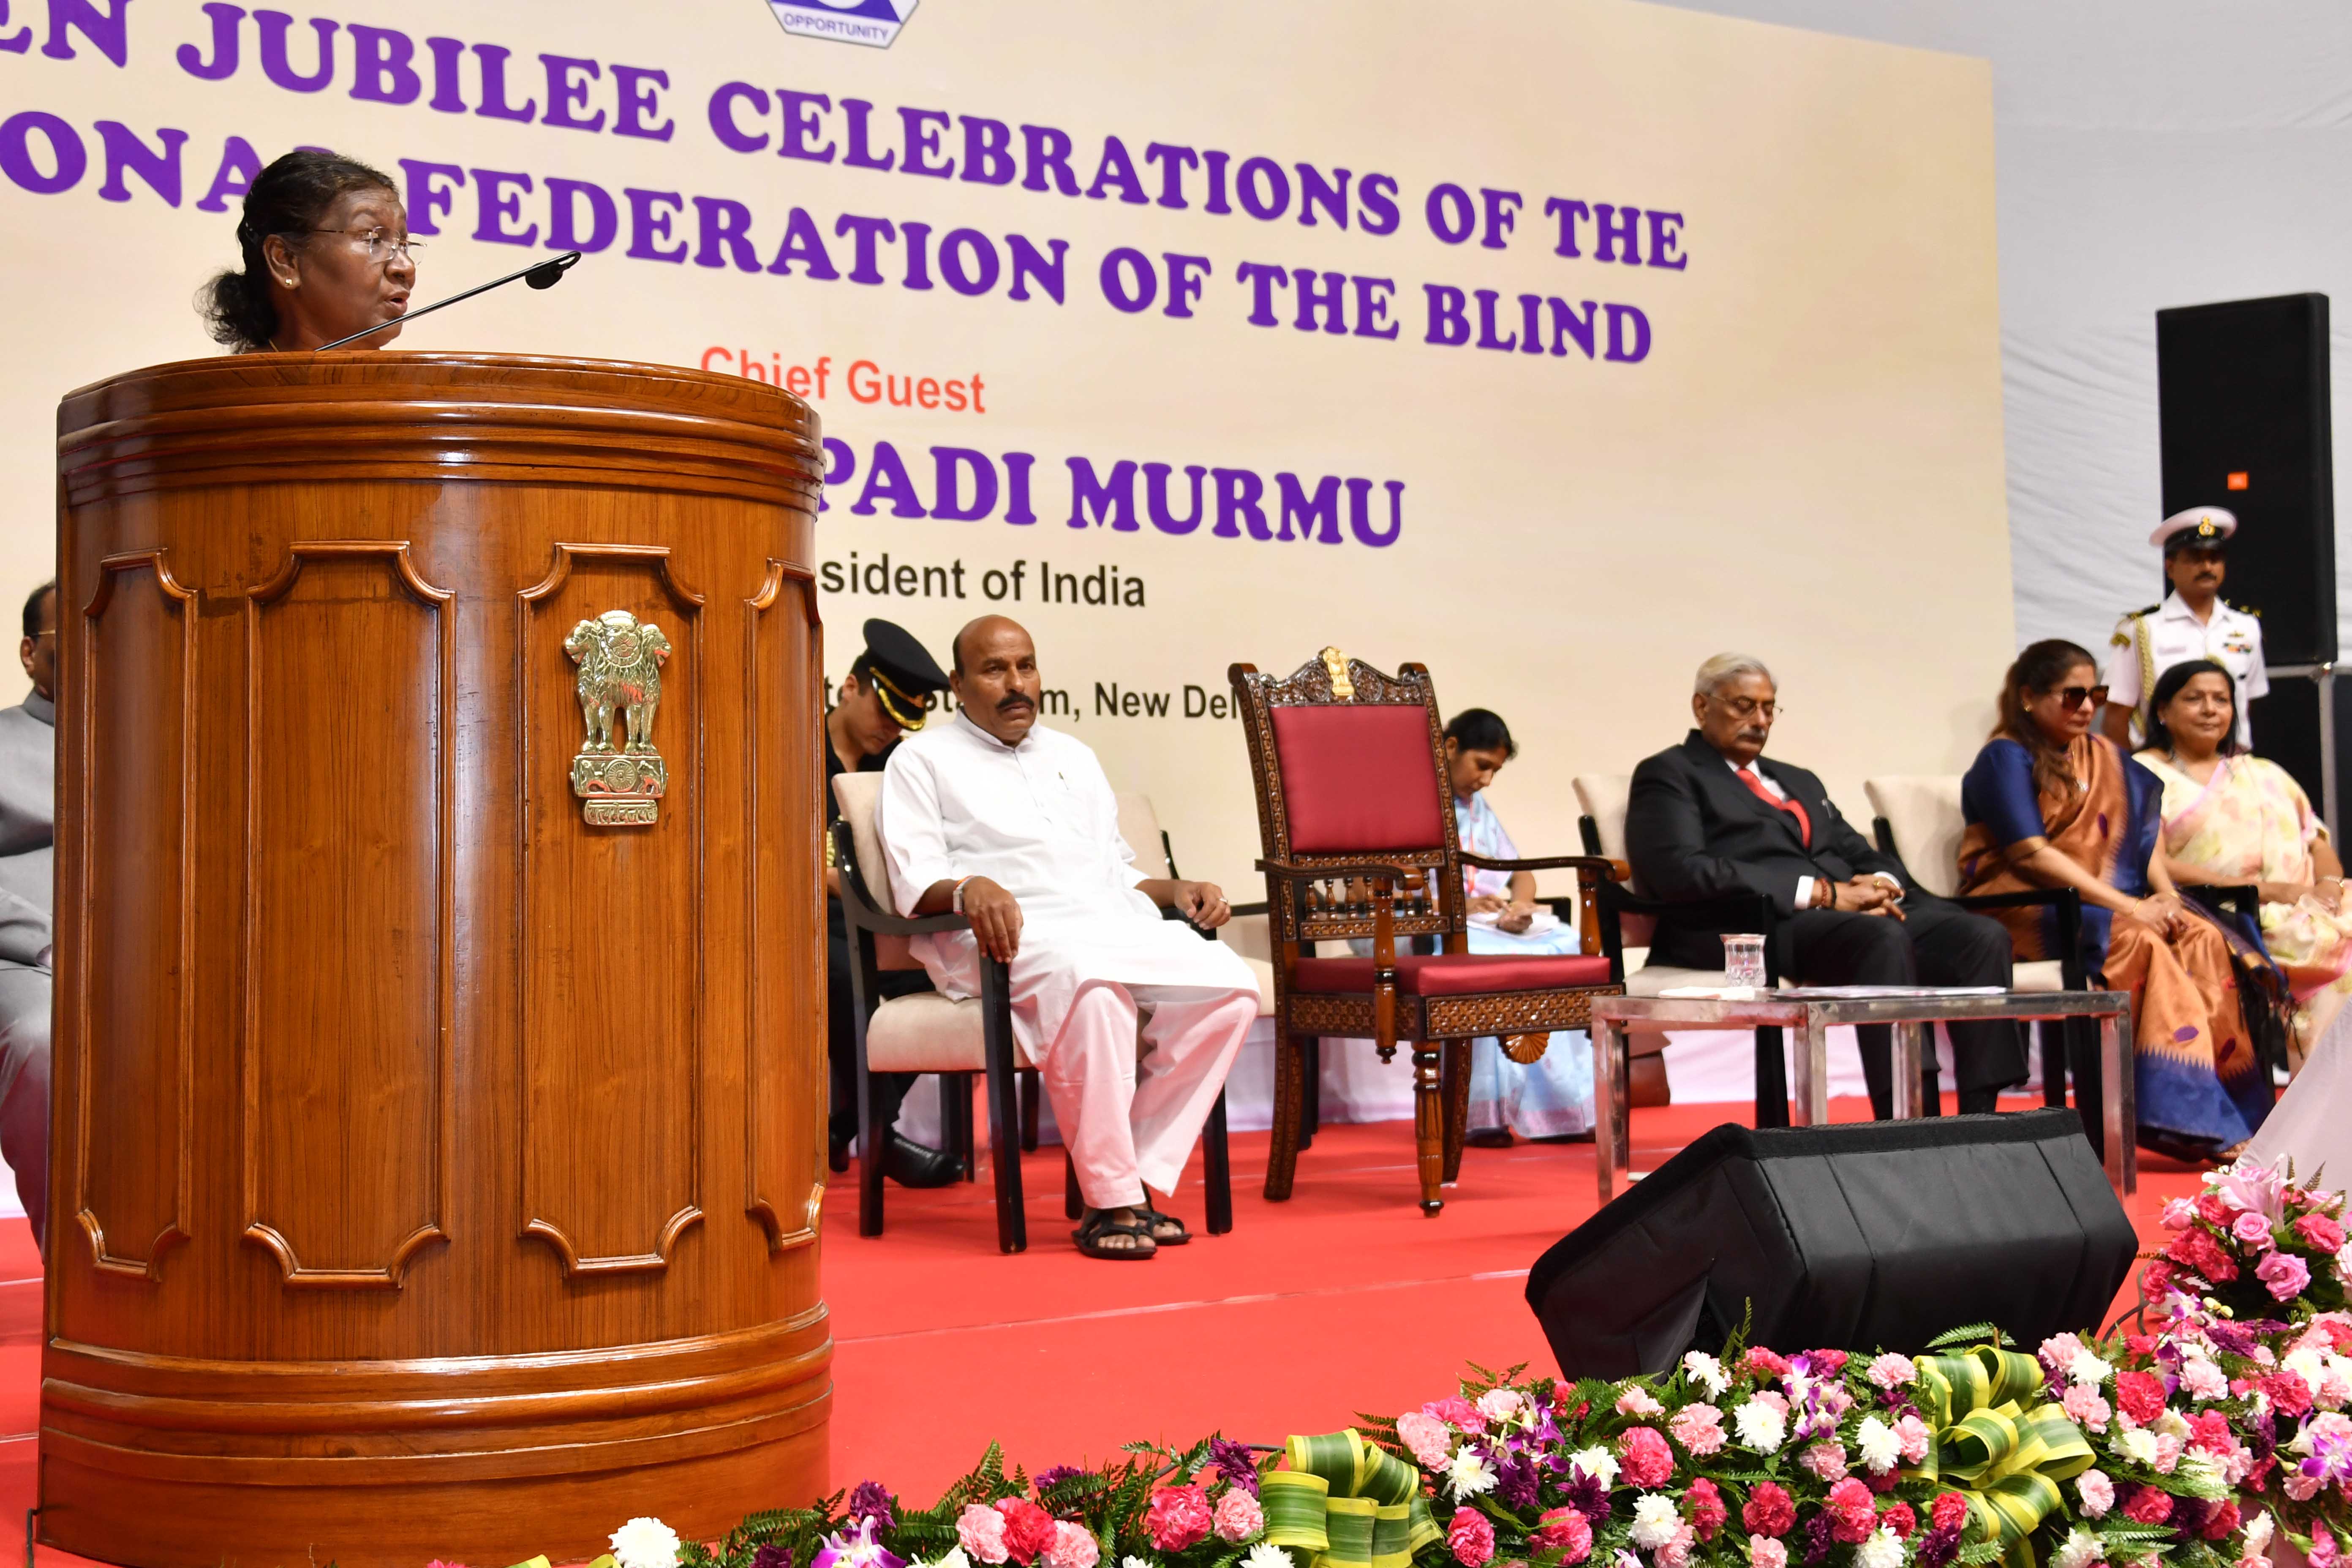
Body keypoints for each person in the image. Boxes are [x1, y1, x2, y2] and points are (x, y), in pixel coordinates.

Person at [877, 616, 1257, 1259]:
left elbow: (1116, 873)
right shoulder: (920, 760)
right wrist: (969, 887)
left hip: (1104, 927)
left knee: (1232, 987)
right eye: (995, 670)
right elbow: (914, 878)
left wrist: (1177, 889)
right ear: (958, 685)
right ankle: (1111, 1201)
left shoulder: (1074, 757)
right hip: (1000, 937)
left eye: (1025, 666)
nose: (1016, 684)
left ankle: (1132, 1174)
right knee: (1097, 993)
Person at [1626, 653, 2024, 1117]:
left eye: (1769, 708)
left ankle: (1983, 1115)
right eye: (1744, 706)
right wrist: (1824, 894)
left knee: (1979, 936)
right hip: (1748, 926)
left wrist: (1880, 883)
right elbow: (1681, 869)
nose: (1760, 720)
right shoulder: (1670, 773)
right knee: (1880, 937)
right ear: (1702, 707)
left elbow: (1856, 850)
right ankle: (1909, 1115)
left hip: (1839, 922)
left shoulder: (1798, 779)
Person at [1957, 638, 2266, 1160]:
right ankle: (2191, 1120)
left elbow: (2142, 837)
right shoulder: (2005, 756)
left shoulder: (2102, 755)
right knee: (2141, 940)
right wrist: (2131, 907)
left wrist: (2166, 898)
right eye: (2072, 695)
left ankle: (2237, 1111)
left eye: (2096, 695)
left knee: (2201, 935)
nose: (2087, 707)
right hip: (2024, 905)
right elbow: (2032, 855)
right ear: (2029, 697)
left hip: (2100, 904)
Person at [2134, 659, 2352, 1065]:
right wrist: (2270, 891)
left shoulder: (2263, 771)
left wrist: (2329, 886)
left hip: (2308, 901)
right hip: (2221, 909)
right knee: (2334, 951)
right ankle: (2322, 1085)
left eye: (2221, 700)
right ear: (2163, 710)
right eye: (2194, 699)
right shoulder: (2143, 773)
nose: (2210, 710)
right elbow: (2153, 861)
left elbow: (2317, 842)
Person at [825, 619, 958, 1189]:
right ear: (850, 688)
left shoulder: (897, 765)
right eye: (885, 713)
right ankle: (883, 1136)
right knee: (843, 975)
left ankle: (847, 1127)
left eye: (904, 720)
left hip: (878, 918)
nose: (891, 729)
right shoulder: (790, 744)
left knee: (943, 976)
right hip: (803, 920)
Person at [1442, 708, 1594, 1146]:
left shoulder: (1478, 808)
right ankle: (1481, 1114)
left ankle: (1558, 1113)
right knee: (1488, 961)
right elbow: (1384, 889)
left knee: (1565, 945)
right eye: (1482, 766)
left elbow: (1519, 872)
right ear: (1450, 747)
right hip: (1433, 925)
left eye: (1496, 770)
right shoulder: (1410, 802)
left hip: (1484, 921)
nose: (1487, 780)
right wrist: (1459, 905)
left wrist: (1521, 905)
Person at [201, 149, 416, 353]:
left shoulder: (422, 381)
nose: (407, 267)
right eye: (373, 239)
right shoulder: (234, 382)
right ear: (286, 261)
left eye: (403, 244)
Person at [2101, 506, 2267, 752]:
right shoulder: (2141, 629)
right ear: (2170, 567)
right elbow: (2116, 716)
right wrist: (2139, 768)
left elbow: (2246, 705)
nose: (2207, 567)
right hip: (2163, 763)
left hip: (2230, 763)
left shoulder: (2246, 626)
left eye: (2214, 558)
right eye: (2195, 559)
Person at [0, 582, 56, 1249]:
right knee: (43, 1039)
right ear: (30, 653)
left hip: (148, 958)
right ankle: (69, 1262)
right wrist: (46, 943)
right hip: (25, 961)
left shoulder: (155, 736)